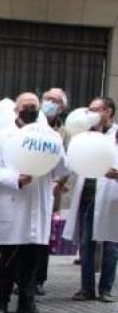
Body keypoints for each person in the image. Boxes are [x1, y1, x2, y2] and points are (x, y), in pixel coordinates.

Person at [0, 92, 67, 313]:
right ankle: (1, 302)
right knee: (9, 258)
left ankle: (27, 301)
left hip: (38, 202)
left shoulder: (49, 136)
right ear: (16, 110)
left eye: (34, 106)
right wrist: (16, 179)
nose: (30, 109)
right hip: (13, 201)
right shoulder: (1, 137)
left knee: (33, 258)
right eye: (26, 105)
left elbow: (63, 168)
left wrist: (57, 149)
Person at [63, 96, 118, 302]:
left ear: (108, 112)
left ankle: (105, 289)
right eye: (89, 110)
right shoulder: (83, 136)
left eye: (97, 109)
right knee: (86, 244)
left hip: (111, 195)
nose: (91, 114)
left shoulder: (116, 135)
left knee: (111, 244)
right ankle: (87, 288)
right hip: (87, 194)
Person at [34, 87, 71, 295]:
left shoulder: (65, 132)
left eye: (55, 100)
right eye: (47, 98)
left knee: (44, 237)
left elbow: (69, 162)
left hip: (52, 188)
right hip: (29, 185)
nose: (49, 102)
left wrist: (58, 182)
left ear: (62, 107)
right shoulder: (32, 124)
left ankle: (39, 279)